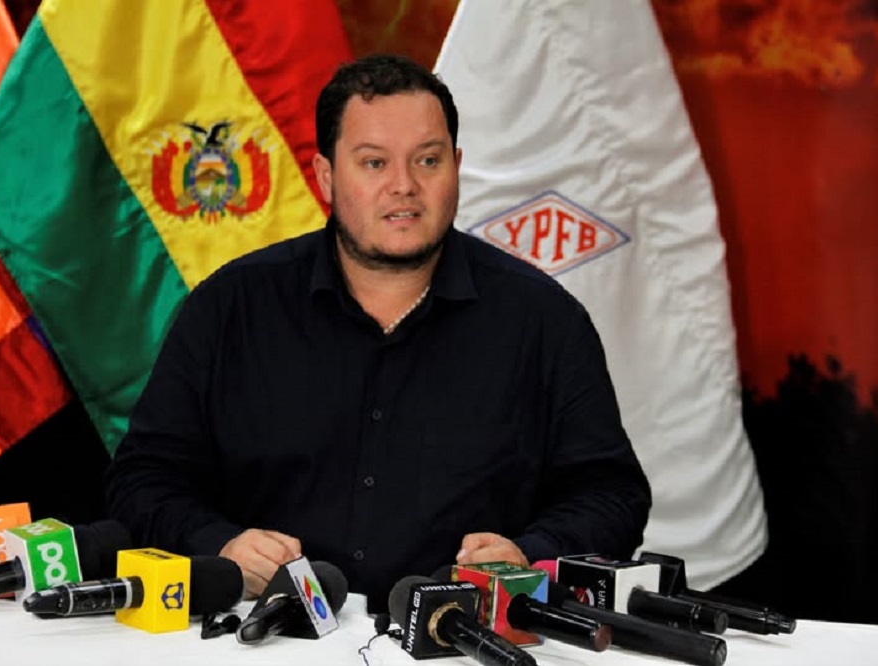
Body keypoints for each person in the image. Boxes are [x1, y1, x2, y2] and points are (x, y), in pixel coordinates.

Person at [104, 53, 651, 612]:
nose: (404, 186)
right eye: (373, 163)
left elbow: (612, 496)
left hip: (463, 637)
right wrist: (220, 545)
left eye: (428, 160)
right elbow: (142, 481)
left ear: (457, 167)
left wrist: (528, 555)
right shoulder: (230, 308)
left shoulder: (544, 320)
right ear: (326, 176)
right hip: (262, 633)